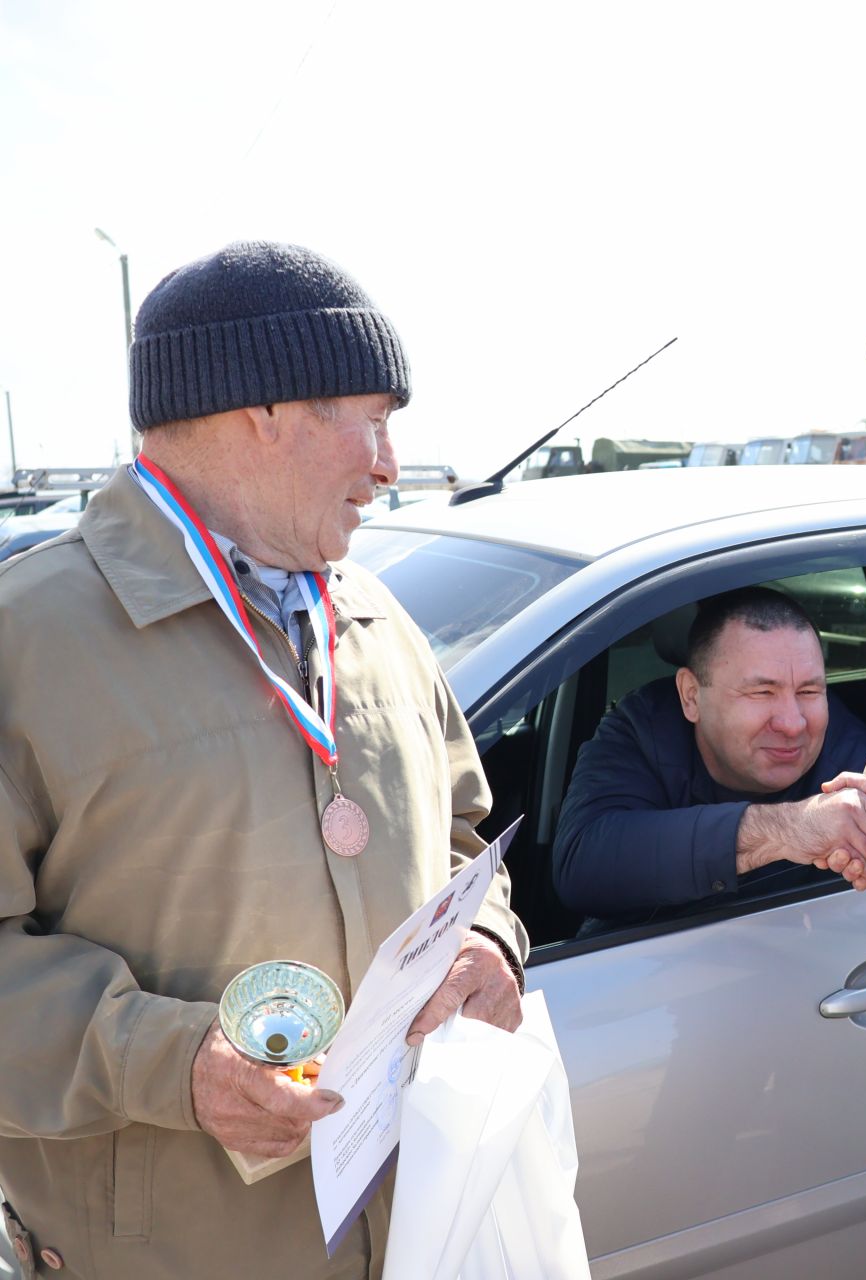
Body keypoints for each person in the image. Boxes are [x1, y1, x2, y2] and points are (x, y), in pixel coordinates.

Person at [0, 242, 528, 1279]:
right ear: (263, 408)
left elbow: (473, 847)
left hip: (408, 1227)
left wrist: (493, 948)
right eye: (371, 418)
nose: (388, 463)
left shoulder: (380, 623)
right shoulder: (27, 641)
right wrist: (174, 1062)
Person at [552, 586, 866, 927]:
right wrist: (788, 828)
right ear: (691, 697)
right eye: (762, 692)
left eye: (809, 691)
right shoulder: (642, 731)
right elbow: (583, 864)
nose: (793, 724)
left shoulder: (852, 756)